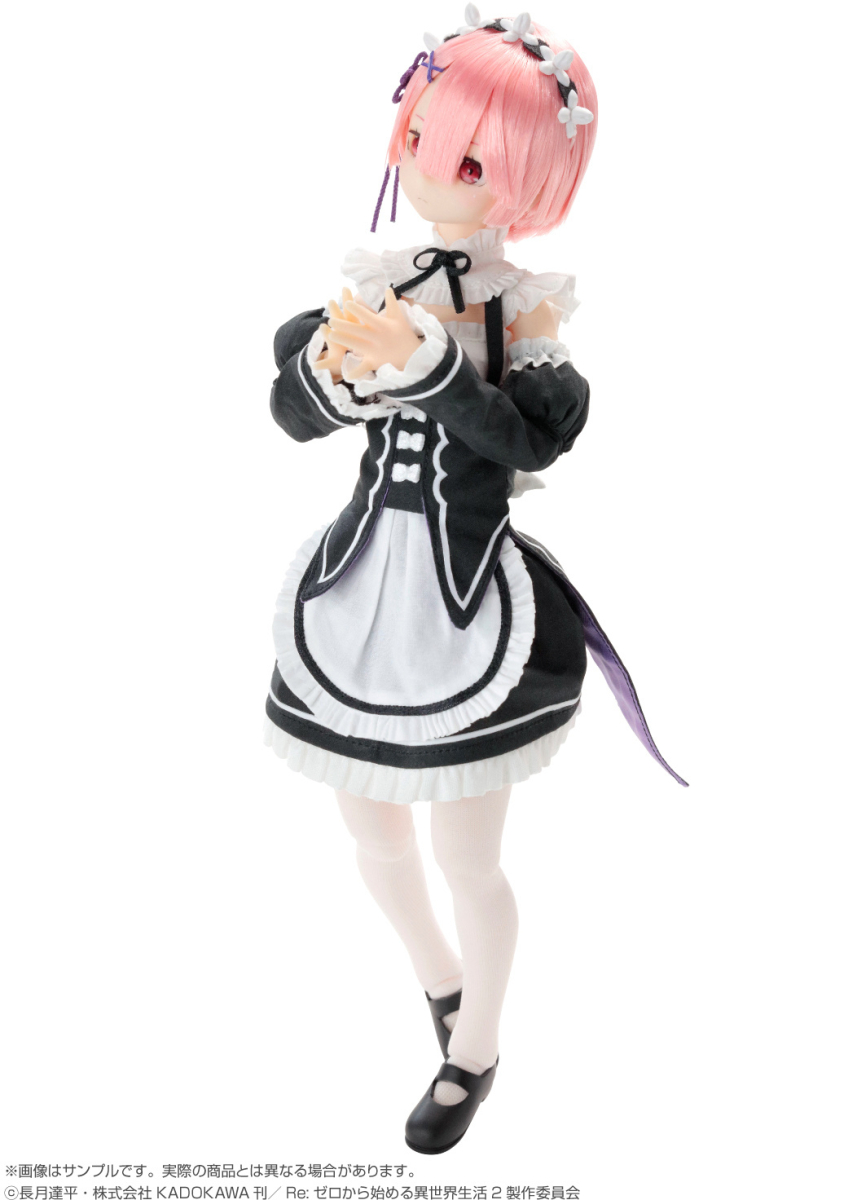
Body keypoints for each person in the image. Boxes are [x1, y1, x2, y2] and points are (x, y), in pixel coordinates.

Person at [263, 6, 686, 1153]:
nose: (427, 172)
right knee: (371, 838)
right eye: (418, 138)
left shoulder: (523, 314)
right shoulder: (373, 281)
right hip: (359, 592)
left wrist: (429, 369)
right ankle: (441, 981)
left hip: (464, 603)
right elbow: (289, 410)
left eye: (466, 161)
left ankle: (476, 1049)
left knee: (467, 856)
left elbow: (530, 439)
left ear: (531, 179)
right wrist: (343, 373)